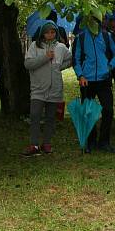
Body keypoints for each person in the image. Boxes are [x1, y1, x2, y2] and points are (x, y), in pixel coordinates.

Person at [23, 21, 73, 156]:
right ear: (42, 33)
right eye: (47, 32)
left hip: (55, 89)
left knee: (50, 117)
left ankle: (46, 143)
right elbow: (28, 64)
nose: (50, 34)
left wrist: (59, 67)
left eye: (53, 32)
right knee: (35, 115)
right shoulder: (34, 46)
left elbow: (70, 59)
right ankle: (34, 144)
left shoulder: (61, 47)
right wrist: (45, 58)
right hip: (38, 88)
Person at [73, 18, 115, 153]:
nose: (94, 24)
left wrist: (109, 67)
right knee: (88, 112)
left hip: (103, 79)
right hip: (86, 80)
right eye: (90, 21)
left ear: (101, 23)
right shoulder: (80, 38)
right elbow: (75, 59)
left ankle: (104, 142)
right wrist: (80, 75)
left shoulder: (107, 36)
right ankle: (91, 142)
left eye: (97, 21)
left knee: (108, 110)